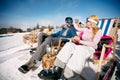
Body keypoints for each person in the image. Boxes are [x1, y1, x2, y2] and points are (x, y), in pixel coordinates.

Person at [38, 15, 103, 79]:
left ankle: (69, 76)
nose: (86, 22)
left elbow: (93, 43)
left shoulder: (99, 31)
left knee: (80, 50)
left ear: (92, 22)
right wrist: (73, 23)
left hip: (90, 48)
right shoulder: (85, 29)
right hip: (82, 46)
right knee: (69, 45)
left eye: (87, 21)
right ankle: (57, 70)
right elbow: (77, 28)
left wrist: (80, 41)